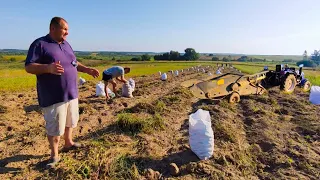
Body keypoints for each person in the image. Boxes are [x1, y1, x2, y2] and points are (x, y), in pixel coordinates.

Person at [24, 17, 100, 168]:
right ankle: (54, 155)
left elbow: (74, 62)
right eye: (65, 29)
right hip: (53, 96)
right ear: (53, 28)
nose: (67, 32)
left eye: (67, 30)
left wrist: (87, 70)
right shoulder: (40, 44)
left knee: (70, 121)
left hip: (71, 93)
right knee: (55, 126)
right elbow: (29, 66)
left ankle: (69, 143)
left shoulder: (66, 44)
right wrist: (48, 68)